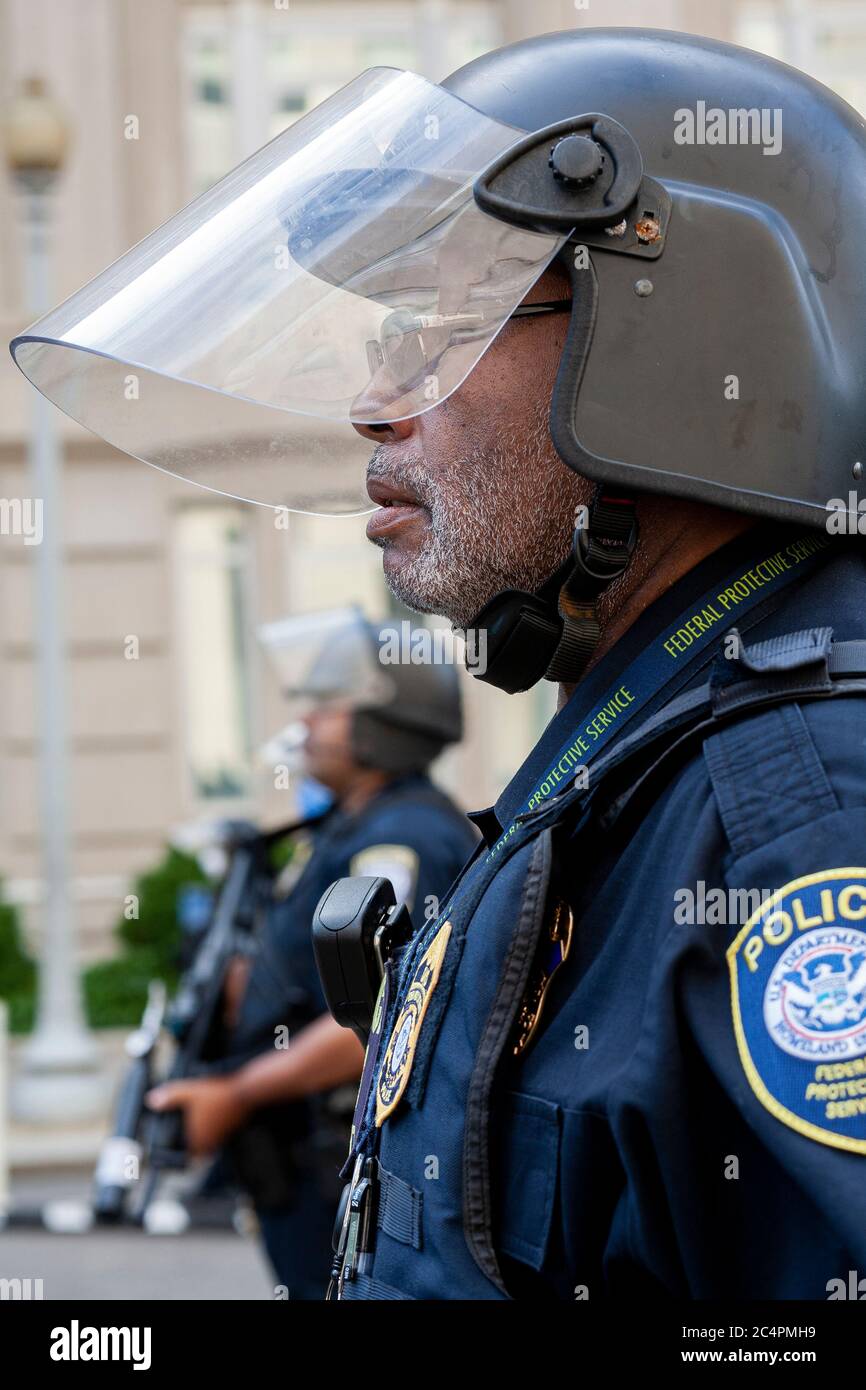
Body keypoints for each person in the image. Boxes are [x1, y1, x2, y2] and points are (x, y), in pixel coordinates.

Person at [12, 27, 866, 1300]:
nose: (372, 402)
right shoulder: (644, 761)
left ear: (677, 346)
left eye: (440, 325)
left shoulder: (797, 816)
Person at [146, 610, 477, 1298]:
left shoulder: (404, 836)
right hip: (300, 1165)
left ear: (381, 724)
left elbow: (391, 1015)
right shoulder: (343, 828)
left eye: (329, 707)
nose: (307, 723)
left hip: (341, 1162)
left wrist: (236, 1093)